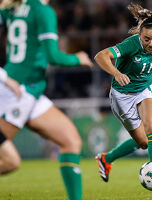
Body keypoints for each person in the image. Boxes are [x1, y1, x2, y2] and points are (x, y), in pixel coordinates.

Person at [0, 0, 93, 200]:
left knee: (71, 140)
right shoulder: (43, 11)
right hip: (18, 91)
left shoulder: (13, 7)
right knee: (8, 162)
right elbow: (53, 56)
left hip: (30, 90)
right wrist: (78, 58)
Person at [94, 3, 152, 196]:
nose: (151, 44)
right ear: (140, 36)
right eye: (147, 40)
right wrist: (116, 73)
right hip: (122, 96)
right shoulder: (131, 44)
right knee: (143, 142)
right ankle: (106, 159)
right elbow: (101, 56)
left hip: (146, 88)